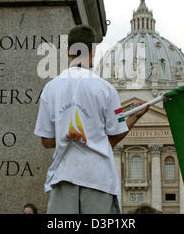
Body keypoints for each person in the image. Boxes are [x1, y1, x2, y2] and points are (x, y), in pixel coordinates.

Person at [34, 25, 149, 214]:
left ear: (68, 50)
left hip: (63, 176)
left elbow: (46, 141)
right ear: (93, 50)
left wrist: (68, 136)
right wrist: (134, 116)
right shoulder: (105, 89)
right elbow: (115, 135)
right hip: (99, 178)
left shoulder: (50, 88)